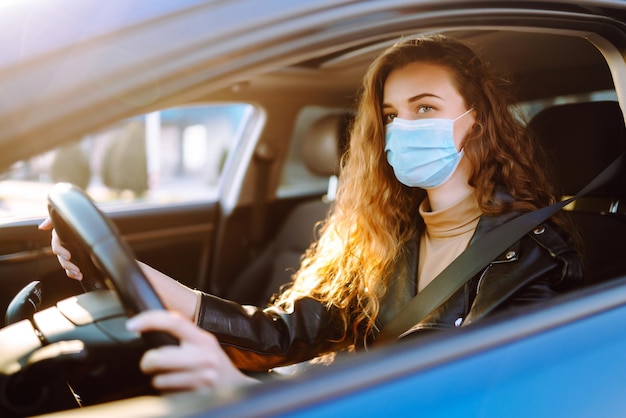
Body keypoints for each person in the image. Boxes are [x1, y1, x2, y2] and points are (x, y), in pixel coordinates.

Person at [39, 34, 582, 393]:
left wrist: (242, 394)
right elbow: (281, 336)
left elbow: (463, 399)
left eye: (425, 108)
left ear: (477, 121)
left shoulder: (534, 255)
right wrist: (126, 270)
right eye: (392, 114)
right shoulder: (387, 235)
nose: (404, 127)